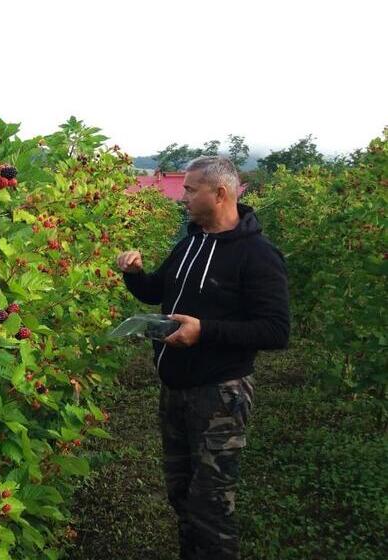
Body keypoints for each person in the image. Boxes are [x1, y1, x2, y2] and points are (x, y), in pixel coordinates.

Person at [116, 155, 290, 559]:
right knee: (181, 493)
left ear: (221, 193)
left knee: (211, 506)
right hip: (175, 390)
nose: (184, 197)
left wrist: (204, 331)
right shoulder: (191, 243)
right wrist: (135, 273)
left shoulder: (258, 255)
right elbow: (157, 292)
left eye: (191, 190)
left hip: (220, 395)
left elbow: (276, 331)